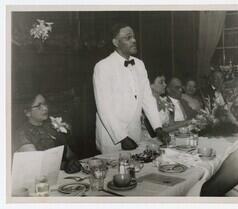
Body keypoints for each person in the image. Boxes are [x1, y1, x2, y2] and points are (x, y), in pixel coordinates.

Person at [93, 23, 168, 154]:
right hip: (113, 137)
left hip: (135, 134)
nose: (134, 40)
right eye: (128, 38)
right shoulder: (103, 67)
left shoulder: (139, 64)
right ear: (116, 42)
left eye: (133, 37)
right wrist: (121, 137)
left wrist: (158, 127)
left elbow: (147, 99)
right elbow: (104, 108)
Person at [12, 93, 82, 174]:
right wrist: (64, 165)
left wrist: (73, 161)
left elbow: (69, 154)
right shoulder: (22, 133)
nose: (45, 108)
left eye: (45, 104)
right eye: (38, 106)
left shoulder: (52, 125)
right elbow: (36, 165)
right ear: (27, 112)